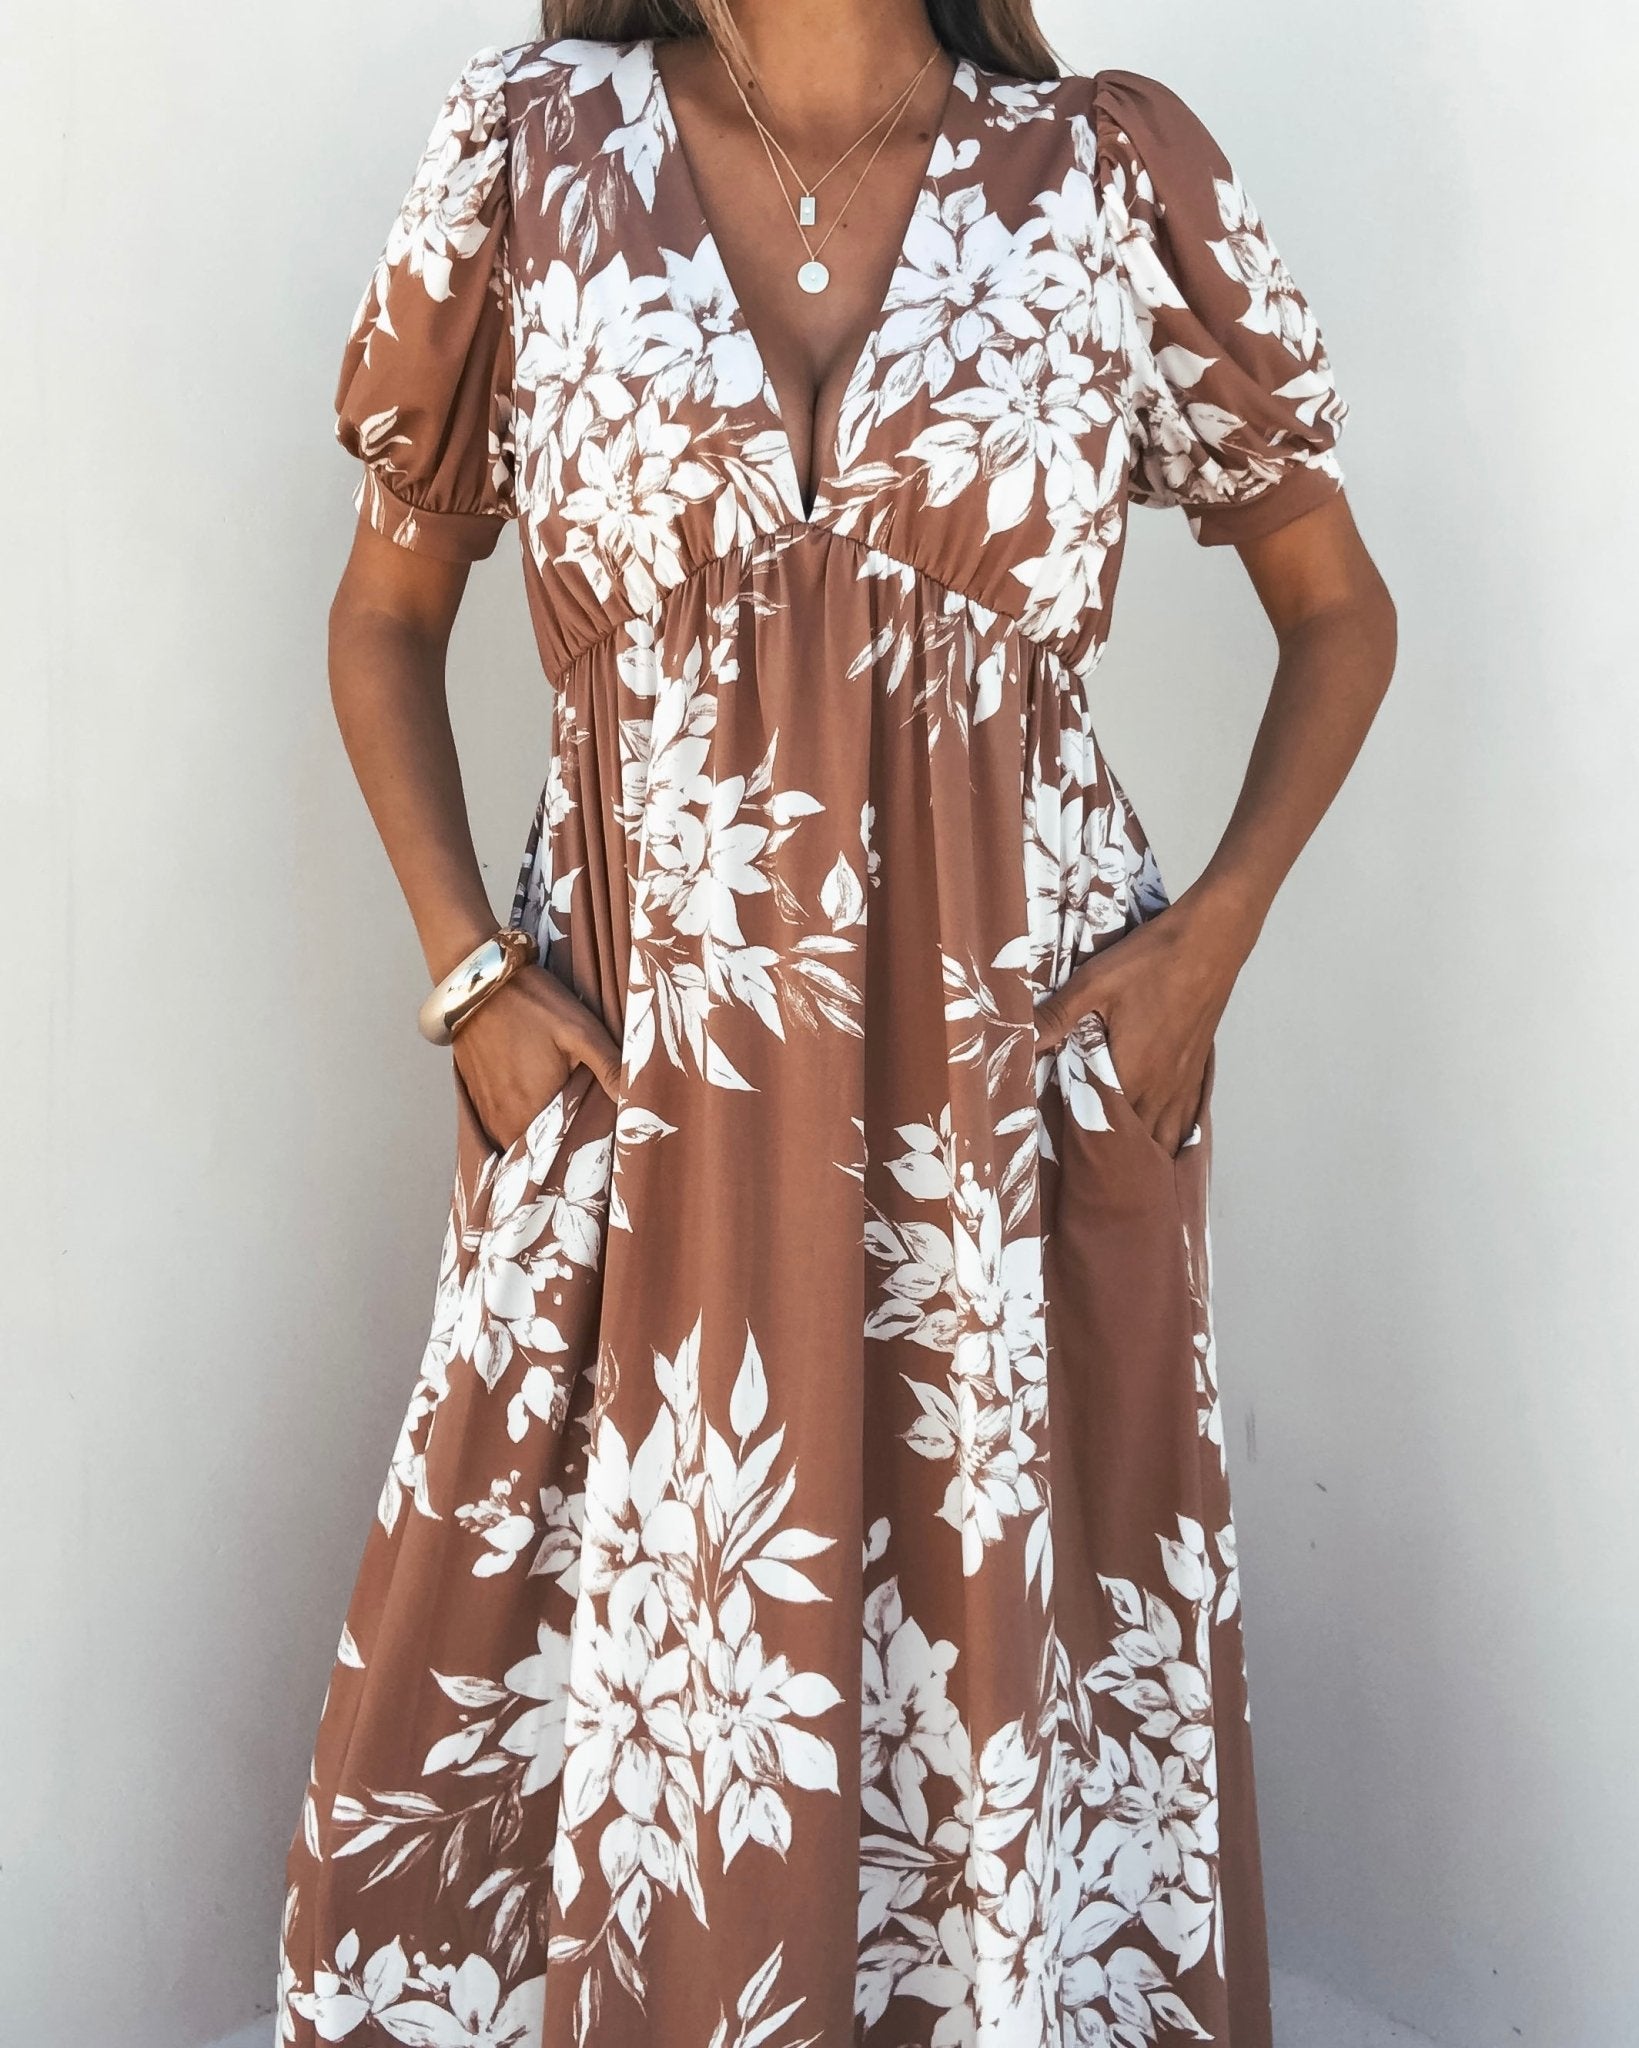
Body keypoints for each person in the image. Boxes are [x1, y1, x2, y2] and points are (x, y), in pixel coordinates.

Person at [277, 3, 1397, 2042]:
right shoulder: (531, 154)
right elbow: (384, 614)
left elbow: (1339, 609)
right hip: (650, 1083)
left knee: (988, 1666)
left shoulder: (1104, 178)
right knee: (583, 1651)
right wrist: (468, 977)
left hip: (1007, 1105)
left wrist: (1206, 943)